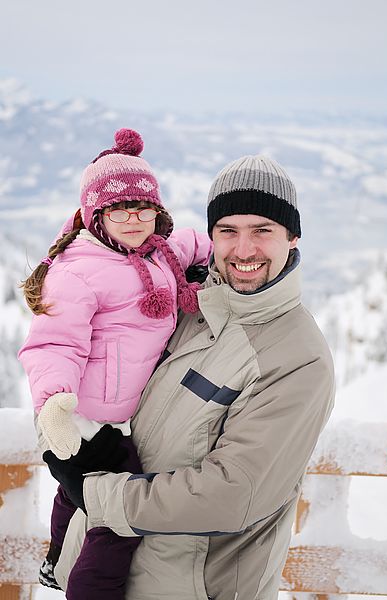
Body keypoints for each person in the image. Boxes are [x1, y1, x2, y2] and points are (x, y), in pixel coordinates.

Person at [44, 154, 335, 600]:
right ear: (210, 236)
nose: (244, 250)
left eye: (262, 230)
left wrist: (93, 492)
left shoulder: (296, 358)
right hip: (110, 576)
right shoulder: (183, 305)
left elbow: (232, 494)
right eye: (228, 231)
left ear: (292, 238)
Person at [18, 128, 213, 599]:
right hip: (81, 421)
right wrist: (55, 404)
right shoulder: (78, 272)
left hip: (120, 417)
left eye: (144, 208)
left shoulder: (160, 252)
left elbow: (200, 243)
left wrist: (231, 250)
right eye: (119, 210)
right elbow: (53, 345)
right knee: (119, 522)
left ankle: (54, 562)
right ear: (95, 215)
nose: (134, 219)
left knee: (74, 496)